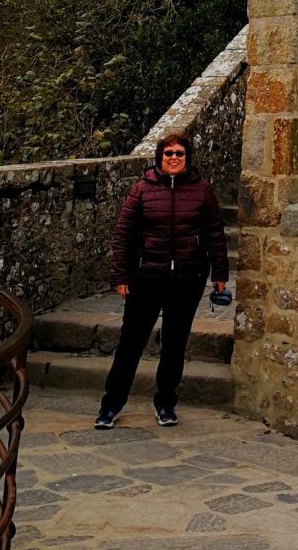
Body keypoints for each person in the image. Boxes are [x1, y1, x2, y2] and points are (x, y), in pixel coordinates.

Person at [94, 132, 229, 428]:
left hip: (187, 278)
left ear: (188, 158)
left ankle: (165, 404)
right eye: (169, 154)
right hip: (146, 278)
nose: (174, 158)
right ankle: (110, 406)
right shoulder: (142, 190)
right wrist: (120, 275)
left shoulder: (202, 190)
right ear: (159, 158)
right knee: (131, 343)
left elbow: (215, 234)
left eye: (180, 153)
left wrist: (220, 274)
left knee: (175, 344)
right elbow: (123, 235)